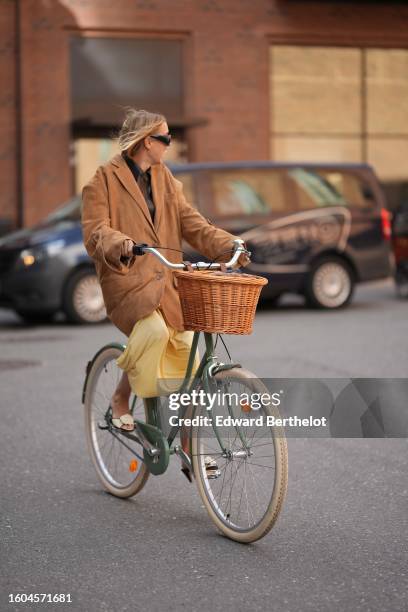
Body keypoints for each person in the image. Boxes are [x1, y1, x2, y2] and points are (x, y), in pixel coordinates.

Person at [81, 108, 250, 476]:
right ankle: (121, 397)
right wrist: (120, 243)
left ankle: (188, 443)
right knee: (154, 331)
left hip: (168, 283)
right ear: (147, 142)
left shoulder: (166, 179)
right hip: (128, 280)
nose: (170, 146)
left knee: (190, 353)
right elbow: (95, 232)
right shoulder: (102, 181)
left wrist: (230, 244)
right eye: (166, 139)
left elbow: (192, 223)